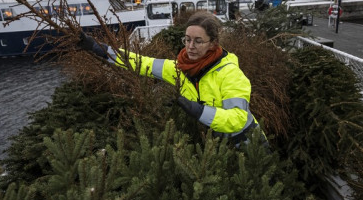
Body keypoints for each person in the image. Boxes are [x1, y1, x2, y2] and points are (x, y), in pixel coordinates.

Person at [78, 11, 263, 147]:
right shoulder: (178, 69)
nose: (190, 46)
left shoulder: (230, 74)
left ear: (213, 44)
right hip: (216, 145)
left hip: (248, 144)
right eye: (187, 39)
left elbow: (238, 119)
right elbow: (141, 63)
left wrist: (200, 111)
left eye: (198, 41)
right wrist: (101, 49)